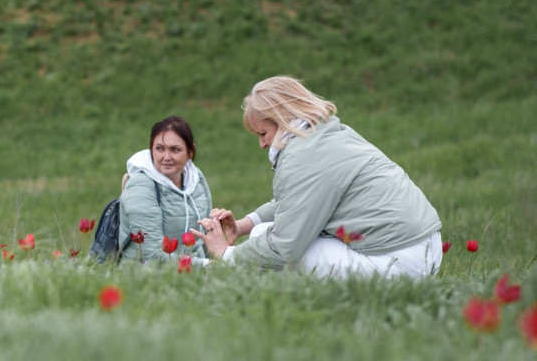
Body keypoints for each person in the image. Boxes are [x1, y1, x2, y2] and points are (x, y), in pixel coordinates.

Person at [198, 76, 441, 278]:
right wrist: (241, 226)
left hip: (399, 262)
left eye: (263, 133)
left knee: (265, 240)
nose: (262, 144)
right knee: (261, 234)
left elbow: (285, 246)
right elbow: (299, 201)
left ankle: (214, 273)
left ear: (282, 119)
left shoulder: (302, 155)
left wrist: (226, 255)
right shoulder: (325, 134)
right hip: (424, 251)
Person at [119, 115, 213, 264]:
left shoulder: (196, 177)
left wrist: (220, 263)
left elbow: (208, 235)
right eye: (159, 149)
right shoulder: (140, 186)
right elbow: (151, 255)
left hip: (196, 270)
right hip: (147, 273)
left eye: (175, 149)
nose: (166, 157)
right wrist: (208, 266)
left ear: (190, 152)